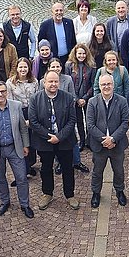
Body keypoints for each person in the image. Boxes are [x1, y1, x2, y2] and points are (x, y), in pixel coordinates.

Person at [0, 81, 34, 217]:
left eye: (3, 91)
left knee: (21, 177)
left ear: (7, 92)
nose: (0, 94)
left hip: (14, 148)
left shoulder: (16, 106)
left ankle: (25, 204)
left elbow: (23, 128)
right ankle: (5, 201)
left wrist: (26, 145)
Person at [29, 70, 80, 210]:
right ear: (44, 82)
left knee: (67, 168)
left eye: (56, 81)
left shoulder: (68, 98)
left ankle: (69, 194)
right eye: (50, 81)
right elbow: (33, 121)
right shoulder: (35, 99)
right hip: (44, 142)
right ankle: (47, 193)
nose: (53, 84)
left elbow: (72, 120)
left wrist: (59, 137)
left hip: (65, 141)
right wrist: (49, 136)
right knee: (46, 168)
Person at [85, 73, 129, 208]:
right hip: (99, 145)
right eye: (103, 84)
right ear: (99, 86)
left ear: (113, 85)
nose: (106, 87)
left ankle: (120, 191)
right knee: (97, 171)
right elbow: (90, 125)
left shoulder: (122, 101)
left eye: (108, 84)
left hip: (117, 144)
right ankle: (96, 193)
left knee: (119, 171)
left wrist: (114, 139)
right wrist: (104, 140)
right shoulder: (92, 102)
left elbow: (125, 122)